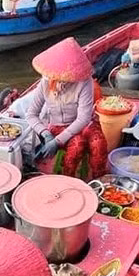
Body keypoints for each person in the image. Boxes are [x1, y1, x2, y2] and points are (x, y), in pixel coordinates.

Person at [25, 37, 108, 178]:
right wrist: (45, 133)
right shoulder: (45, 83)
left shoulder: (84, 82)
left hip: (85, 125)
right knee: (77, 146)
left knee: (99, 144)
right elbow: (31, 114)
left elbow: (83, 118)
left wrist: (57, 141)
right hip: (57, 125)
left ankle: (98, 180)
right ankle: (66, 179)